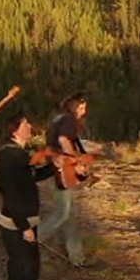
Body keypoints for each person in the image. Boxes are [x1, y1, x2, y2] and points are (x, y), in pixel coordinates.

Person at [0, 111, 58, 280]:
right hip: (15, 224)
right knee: (19, 270)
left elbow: (32, 176)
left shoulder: (20, 154)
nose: (30, 126)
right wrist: (24, 227)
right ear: (16, 129)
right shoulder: (8, 156)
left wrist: (54, 166)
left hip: (26, 221)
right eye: (26, 124)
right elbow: (10, 194)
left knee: (32, 268)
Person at [40, 93, 91, 266]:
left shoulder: (57, 117)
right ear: (74, 107)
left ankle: (77, 257)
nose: (84, 111)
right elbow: (63, 140)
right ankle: (31, 241)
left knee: (70, 214)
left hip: (55, 166)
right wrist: (75, 162)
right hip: (61, 168)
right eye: (82, 108)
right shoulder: (68, 119)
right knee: (63, 212)